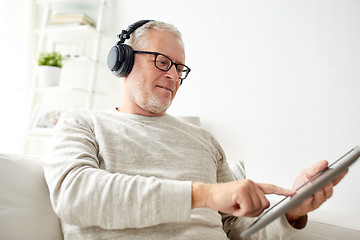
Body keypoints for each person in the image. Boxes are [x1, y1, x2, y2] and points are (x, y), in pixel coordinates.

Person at [43, 20, 347, 240]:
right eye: (163, 62)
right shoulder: (81, 123)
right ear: (122, 61)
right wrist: (204, 195)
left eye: (180, 68)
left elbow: (239, 229)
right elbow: (75, 197)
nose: (174, 76)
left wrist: (292, 210)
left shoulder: (203, 140)